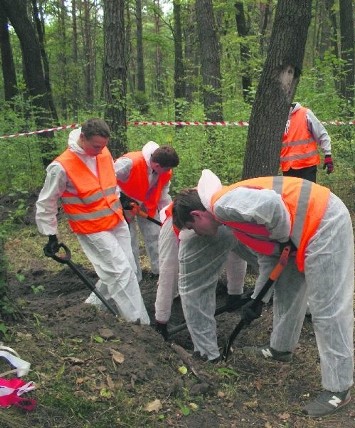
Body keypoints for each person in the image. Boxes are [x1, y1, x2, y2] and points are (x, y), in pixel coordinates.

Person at [172, 170, 354, 418]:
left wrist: (282, 235)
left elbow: (272, 205)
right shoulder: (232, 220)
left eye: (194, 228)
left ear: (197, 214)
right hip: (302, 230)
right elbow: (270, 259)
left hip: (324, 221)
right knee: (287, 291)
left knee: (328, 308)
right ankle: (280, 349)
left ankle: (339, 388)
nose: (199, 234)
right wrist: (258, 300)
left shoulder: (222, 205)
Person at [35, 118, 149, 324]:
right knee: (120, 272)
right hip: (92, 228)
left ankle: (92, 307)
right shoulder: (61, 167)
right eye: (96, 146)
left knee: (129, 269)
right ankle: (138, 323)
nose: (100, 151)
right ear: (82, 138)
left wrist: (121, 198)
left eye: (103, 146)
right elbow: (46, 202)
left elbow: (109, 181)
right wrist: (51, 235)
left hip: (115, 219)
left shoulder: (102, 152)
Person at [153, 203, 255, 345]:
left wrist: (235, 293)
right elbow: (168, 274)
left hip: (216, 220)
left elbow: (235, 251)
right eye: (190, 228)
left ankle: (205, 348)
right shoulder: (171, 228)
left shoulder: (225, 211)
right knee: (176, 276)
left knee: (192, 289)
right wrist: (161, 321)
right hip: (205, 223)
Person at [115, 141, 179, 280]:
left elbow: (163, 195)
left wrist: (168, 215)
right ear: (156, 165)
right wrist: (121, 198)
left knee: (155, 235)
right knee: (129, 240)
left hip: (145, 205)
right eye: (167, 169)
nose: (168, 172)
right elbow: (108, 179)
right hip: (121, 204)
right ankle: (133, 277)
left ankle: (159, 272)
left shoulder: (165, 171)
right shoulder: (129, 163)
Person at [280, 102, 333, 183]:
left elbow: (322, 134)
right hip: (288, 168)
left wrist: (328, 155)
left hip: (307, 166)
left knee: (307, 195)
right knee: (292, 195)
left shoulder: (305, 113)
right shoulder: (278, 119)